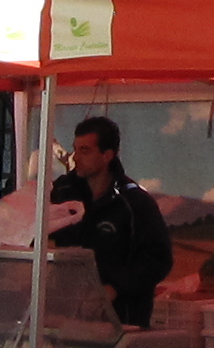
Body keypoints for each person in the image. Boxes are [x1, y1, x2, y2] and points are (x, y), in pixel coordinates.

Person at [47, 115, 173, 328]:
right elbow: (28, 226)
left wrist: (114, 288)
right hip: (64, 320)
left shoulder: (134, 203)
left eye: (85, 150)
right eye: (75, 149)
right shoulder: (60, 192)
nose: (75, 157)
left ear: (107, 155)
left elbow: (157, 260)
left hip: (120, 323)